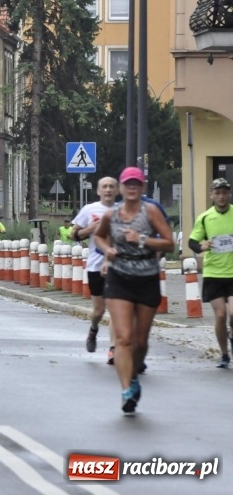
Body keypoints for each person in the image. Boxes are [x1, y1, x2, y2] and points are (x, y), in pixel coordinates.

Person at [94, 167, 173, 414]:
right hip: (119, 277)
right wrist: (107, 249)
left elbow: (170, 243)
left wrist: (141, 239)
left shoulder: (150, 211)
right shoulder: (111, 214)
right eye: (127, 184)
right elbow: (99, 236)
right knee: (124, 338)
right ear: (120, 187)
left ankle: (134, 376)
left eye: (136, 184)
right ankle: (127, 389)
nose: (131, 188)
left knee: (140, 342)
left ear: (142, 188)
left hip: (147, 277)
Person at [71, 176, 119, 363]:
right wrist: (88, 230)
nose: (108, 190)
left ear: (117, 191)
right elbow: (73, 235)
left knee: (115, 308)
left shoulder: (122, 210)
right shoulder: (89, 210)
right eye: (104, 186)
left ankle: (113, 349)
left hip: (118, 266)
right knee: (99, 311)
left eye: (111, 187)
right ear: (98, 191)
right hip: (95, 266)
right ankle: (93, 329)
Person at [188, 177, 233, 368]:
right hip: (213, 274)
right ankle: (224, 354)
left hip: (232, 274)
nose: (221, 196)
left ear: (229, 194)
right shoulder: (205, 218)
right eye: (217, 193)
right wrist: (202, 245)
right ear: (212, 195)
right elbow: (192, 242)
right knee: (221, 316)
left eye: (224, 192)